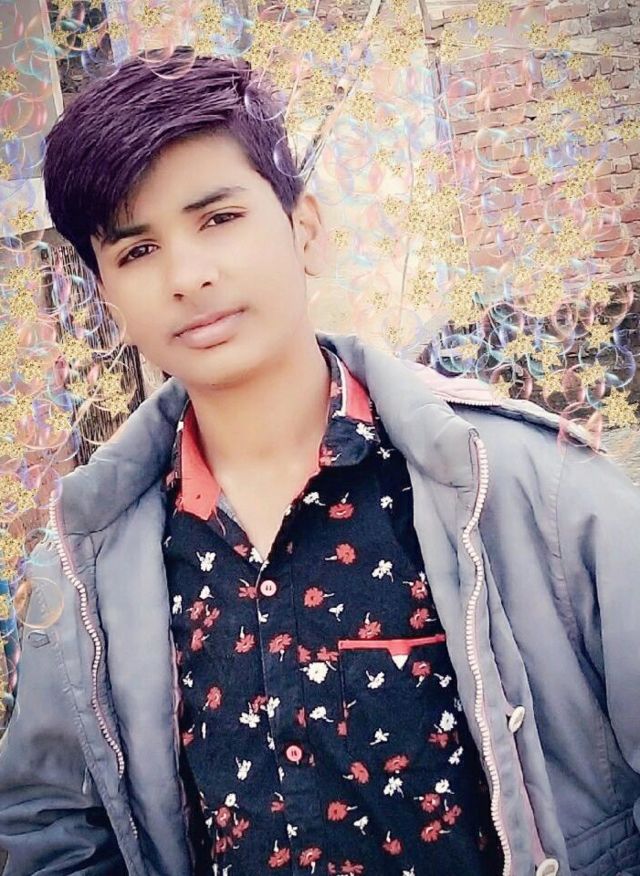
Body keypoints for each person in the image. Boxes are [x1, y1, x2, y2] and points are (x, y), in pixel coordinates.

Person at [0, 47, 638, 876]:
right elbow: (50, 829)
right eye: (138, 251)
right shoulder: (82, 573)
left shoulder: (530, 492)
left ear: (305, 228)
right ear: (110, 301)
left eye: (218, 218)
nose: (188, 276)